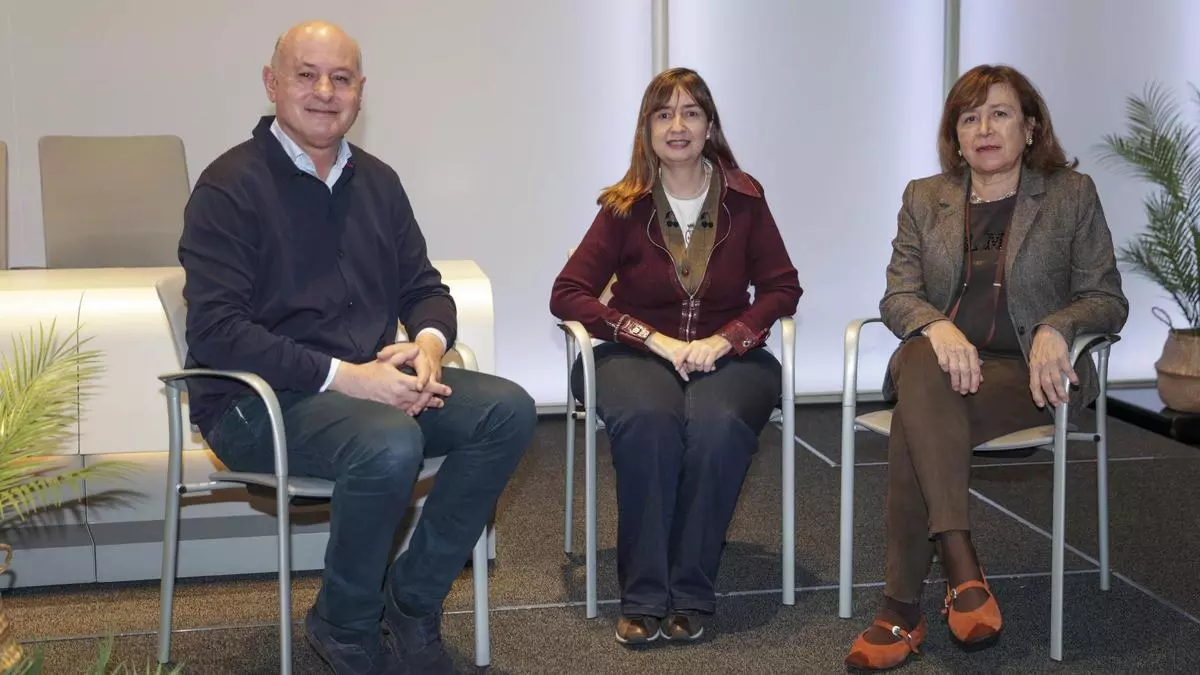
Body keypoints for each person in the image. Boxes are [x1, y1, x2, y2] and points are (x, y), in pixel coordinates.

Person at [178, 20, 535, 675]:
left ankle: (411, 601)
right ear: (271, 83)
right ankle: (345, 623)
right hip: (253, 403)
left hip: (362, 392)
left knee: (507, 409)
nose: (324, 91)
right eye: (306, 75)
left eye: (340, 78)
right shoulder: (228, 186)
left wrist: (427, 346)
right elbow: (217, 331)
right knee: (388, 441)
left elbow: (426, 289)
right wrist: (349, 377)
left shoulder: (378, 182)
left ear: (360, 92)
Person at [844, 64, 1128, 670]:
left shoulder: (1070, 195)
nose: (984, 129)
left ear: (1030, 127)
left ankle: (901, 610)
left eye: (1000, 114)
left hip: (1027, 376)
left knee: (913, 424)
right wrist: (937, 326)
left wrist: (1057, 326)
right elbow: (899, 296)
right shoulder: (925, 197)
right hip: (936, 368)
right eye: (969, 118)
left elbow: (1106, 297)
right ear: (955, 135)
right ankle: (961, 564)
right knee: (923, 363)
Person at [549, 67, 802, 646]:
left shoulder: (746, 199)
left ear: (710, 125)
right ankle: (643, 594)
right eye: (663, 114)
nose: (677, 126)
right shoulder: (624, 206)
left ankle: (690, 588)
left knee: (718, 426)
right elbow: (567, 293)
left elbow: (783, 287)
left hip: (728, 356)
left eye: (690, 113)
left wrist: (728, 338)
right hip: (637, 354)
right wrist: (651, 338)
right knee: (650, 421)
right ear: (647, 130)